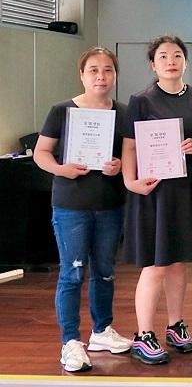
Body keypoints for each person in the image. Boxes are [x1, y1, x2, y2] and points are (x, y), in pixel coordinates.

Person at [33, 47, 132, 372]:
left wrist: (119, 165)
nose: (101, 76)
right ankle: (70, 342)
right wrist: (61, 169)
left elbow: (128, 155)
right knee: (73, 273)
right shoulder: (62, 110)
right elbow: (41, 153)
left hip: (110, 205)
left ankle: (102, 330)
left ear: (115, 75)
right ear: (82, 74)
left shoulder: (124, 112)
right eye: (93, 70)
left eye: (107, 70)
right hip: (71, 207)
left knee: (105, 271)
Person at [121, 35, 192, 364]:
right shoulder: (141, 100)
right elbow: (130, 145)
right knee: (157, 264)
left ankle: (175, 325)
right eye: (163, 56)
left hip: (187, 189)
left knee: (178, 262)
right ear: (153, 64)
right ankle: (143, 334)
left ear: (185, 61)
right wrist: (131, 182)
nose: (171, 61)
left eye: (177, 55)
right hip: (155, 192)